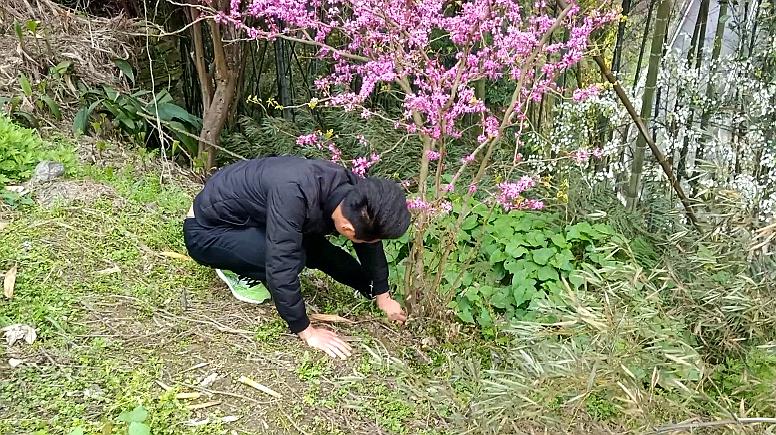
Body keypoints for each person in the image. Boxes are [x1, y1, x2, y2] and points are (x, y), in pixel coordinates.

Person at [182, 156, 411, 359]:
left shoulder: (356, 195)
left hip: (251, 219)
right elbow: (281, 266)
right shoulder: (295, 193)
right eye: (361, 239)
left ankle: (368, 289)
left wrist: (381, 294)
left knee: (314, 249)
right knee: (296, 256)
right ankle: (232, 268)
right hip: (207, 230)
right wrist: (307, 331)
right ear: (348, 230)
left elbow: (369, 243)